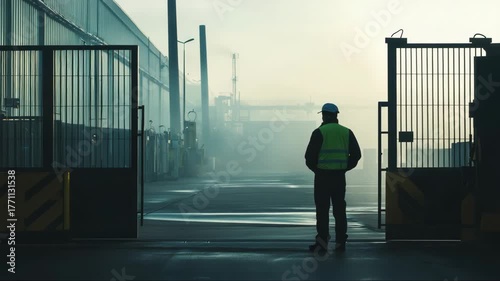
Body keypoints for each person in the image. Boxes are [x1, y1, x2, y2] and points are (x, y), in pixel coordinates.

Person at [305, 103, 361, 253]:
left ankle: (322, 243)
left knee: (322, 211)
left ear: (324, 115)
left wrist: (317, 170)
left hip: (322, 178)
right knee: (339, 210)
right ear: (336, 115)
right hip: (339, 177)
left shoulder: (319, 132)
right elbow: (356, 155)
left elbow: (309, 157)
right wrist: (344, 167)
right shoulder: (346, 132)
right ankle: (341, 242)